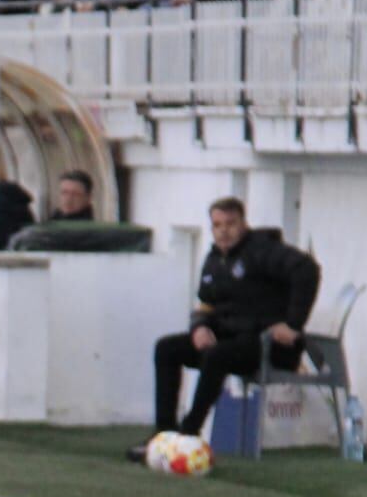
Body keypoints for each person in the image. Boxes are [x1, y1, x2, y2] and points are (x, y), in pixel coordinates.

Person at [129, 196, 321, 459]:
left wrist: (293, 324)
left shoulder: (262, 250)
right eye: (217, 225)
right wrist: (199, 328)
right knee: (166, 348)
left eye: (231, 224)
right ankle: (164, 435)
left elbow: (306, 269)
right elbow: (205, 305)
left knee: (217, 356)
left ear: (243, 223)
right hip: (231, 338)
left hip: (269, 344)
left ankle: (189, 434)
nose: (224, 231)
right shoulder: (214, 260)